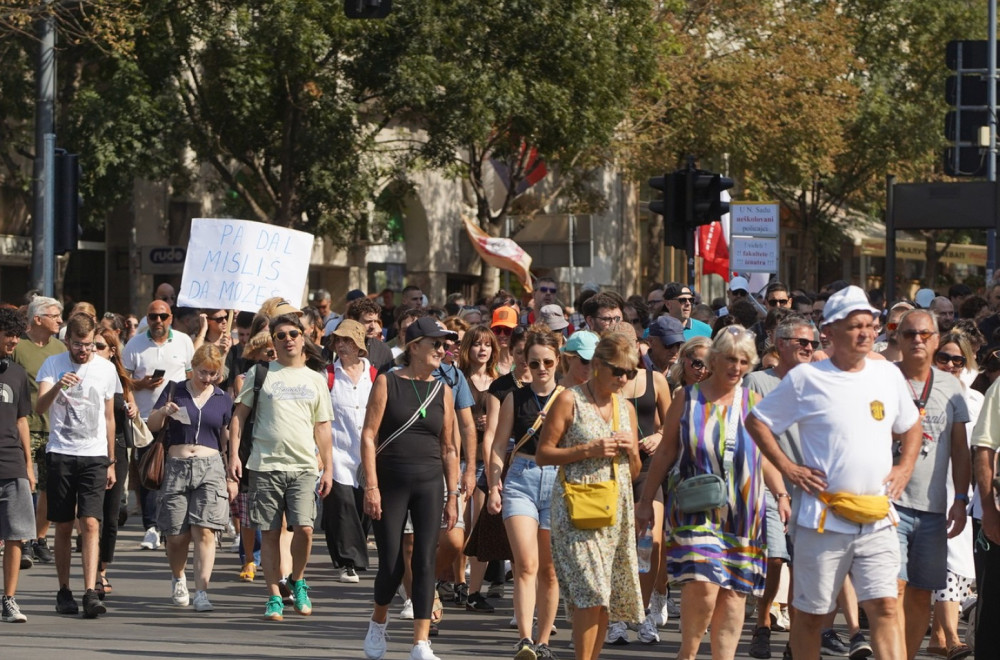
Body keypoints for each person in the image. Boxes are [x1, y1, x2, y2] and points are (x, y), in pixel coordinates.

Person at [745, 285, 923, 660]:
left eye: (870, 325)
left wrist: (904, 466)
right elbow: (757, 421)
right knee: (811, 617)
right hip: (822, 519)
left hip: (877, 516)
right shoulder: (806, 379)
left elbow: (912, 425)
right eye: (855, 325)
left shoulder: (887, 376)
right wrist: (789, 468)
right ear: (829, 331)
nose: (865, 333)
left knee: (887, 608)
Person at [637, 326, 781, 660]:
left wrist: (784, 496)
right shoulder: (687, 398)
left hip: (744, 512)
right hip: (695, 508)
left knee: (733, 594)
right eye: (730, 358)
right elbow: (666, 451)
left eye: (744, 361)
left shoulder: (755, 403)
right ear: (714, 358)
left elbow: (766, 456)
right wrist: (646, 503)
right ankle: (688, 652)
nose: (736, 367)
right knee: (703, 584)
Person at [536, 333, 645, 659]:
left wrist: (632, 451)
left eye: (630, 372)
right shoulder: (570, 399)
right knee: (591, 591)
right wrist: (588, 449)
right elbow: (543, 454)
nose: (623, 378)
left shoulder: (625, 408)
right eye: (618, 371)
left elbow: (634, 471)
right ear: (597, 365)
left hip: (615, 510)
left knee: (605, 596)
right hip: (576, 508)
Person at [361, 317, 459, 660]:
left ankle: (420, 642)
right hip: (390, 483)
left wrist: (453, 495)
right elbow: (369, 435)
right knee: (391, 565)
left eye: (444, 345)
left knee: (425, 561)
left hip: (430, 482)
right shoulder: (387, 382)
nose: (442, 349)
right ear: (414, 346)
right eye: (436, 343)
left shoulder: (443, 390)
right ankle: (378, 621)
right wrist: (371, 486)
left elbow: (449, 447)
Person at [229, 313, 334, 621]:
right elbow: (239, 417)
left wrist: (327, 468)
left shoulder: (316, 378)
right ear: (272, 341)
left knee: (304, 527)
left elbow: (323, 427)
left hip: (303, 465)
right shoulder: (260, 373)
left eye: (293, 333)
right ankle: (274, 595)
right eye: (280, 335)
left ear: (303, 337)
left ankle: (297, 579)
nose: (288, 338)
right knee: (271, 533)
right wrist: (233, 456)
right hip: (265, 465)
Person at [892, 309, 970, 660]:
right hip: (889, 504)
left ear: (936, 339)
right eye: (909, 334)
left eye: (924, 334)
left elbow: (960, 448)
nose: (917, 340)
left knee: (922, 592)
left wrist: (961, 499)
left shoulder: (951, 387)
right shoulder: (884, 379)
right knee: (892, 589)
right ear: (898, 338)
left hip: (934, 508)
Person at [487, 326, 564, 659]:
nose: (542, 368)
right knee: (526, 563)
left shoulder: (569, 397)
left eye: (547, 361)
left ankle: (544, 640)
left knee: (549, 569)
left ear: (558, 361)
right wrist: (493, 484)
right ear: (525, 364)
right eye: (535, 363)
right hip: (521, 479)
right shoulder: (514, 397)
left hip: (559, 481)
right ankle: (524, 638)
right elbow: (496, 446)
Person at [36, 313, 120, 619]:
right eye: (77, 344)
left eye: (88, 345)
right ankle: (63, 590)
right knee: (63, 524)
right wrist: (59, 385)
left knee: (91, 522)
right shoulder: (53, 364)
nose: (83, 351)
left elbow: (109, 418)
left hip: (95, 455)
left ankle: (89, 591)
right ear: (66, 340)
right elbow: (40, 407)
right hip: (61, 451)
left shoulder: (106, 369)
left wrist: (111, 461)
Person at [147, 344, 236, 612]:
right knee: (176, 535)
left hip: (210, 467)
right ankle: (178, 578)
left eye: (213, 373)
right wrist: (164, 412)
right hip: (177, 465)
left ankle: (202, 592)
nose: (207, 378)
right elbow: (151, 426)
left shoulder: (222, 398)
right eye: (202, 372)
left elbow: (227, 438)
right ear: (192, 367)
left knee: (206, 531)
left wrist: (232, 473)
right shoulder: (176, 390)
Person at [123, 299, 195, 550]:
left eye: (163, 317)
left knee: (179, 472)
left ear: (171, 318)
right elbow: (123, 381)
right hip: (146, 419)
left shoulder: (184, 342)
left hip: (177, 417)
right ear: (148, 318)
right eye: (153, 317)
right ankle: (151, 527)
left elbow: (190, 375)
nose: (158, 322)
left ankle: (175, 524)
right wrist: (141, 384)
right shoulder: (135, 344)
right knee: (150, 473)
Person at [926, 332, 979, 660]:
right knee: (946, 565)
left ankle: (936, 637)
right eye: (943, 357)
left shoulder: (976, 401)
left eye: (957, 360)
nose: (949, 364)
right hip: (929, 489)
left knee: (960, 566)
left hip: (963, 491)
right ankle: (952, 635)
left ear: (967, 363)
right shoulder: (921, 394)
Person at [12, 295, 65, 565]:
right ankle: (22, 539)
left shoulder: (60, 349)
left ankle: (40, 538)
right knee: (25, 486)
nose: (59, 320)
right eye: (55, 316)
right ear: (37, 318)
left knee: (48, 487)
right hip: (23, 427)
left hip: (53, 429)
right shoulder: (18, 347)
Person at [322, 320, 377, 583]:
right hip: (337, 452)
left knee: (361, 506)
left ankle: (354, 553)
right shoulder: (328, 375)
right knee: (341, 505)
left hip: (367, 454)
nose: (342, 345)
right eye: (338, 341)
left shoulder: (375, 376)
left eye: (348, 341)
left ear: (360, 346)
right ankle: (348, 561)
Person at [93, 327, 138, 600]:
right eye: (93, 344)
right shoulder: (84, 373)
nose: (94, 350)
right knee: (90, 516)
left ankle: (102, 570)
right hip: (89, 448)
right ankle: (92, 572)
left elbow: (131, 406)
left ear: (112, 350)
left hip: (118, 448)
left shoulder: (122, 379)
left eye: (100, 345)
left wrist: (132, 409)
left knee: (110, 516)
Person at [457, 324, 500, 613]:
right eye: (476, 344)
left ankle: (473, 590)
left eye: (487, 344)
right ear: (467, 349)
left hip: (488, 462)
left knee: (479, 527)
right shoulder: (457, 378)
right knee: (457, 525)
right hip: (460, 458)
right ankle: (456, 581)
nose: (482, 349)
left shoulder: (499, 381)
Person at [0, 307, 35, 623]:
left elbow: (23, 419)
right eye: (8, 334)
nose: (13, 340)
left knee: (15, 536)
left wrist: (29, 464)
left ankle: (8, 599)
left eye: (16, 335)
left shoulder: (16, 374)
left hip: (12, 464)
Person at [491, 306, 519, 374]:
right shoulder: (487, 362)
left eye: (507, 330)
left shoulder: (522, 361)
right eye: (497, 330)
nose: (502, 335)